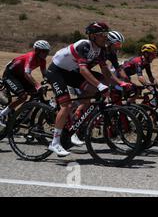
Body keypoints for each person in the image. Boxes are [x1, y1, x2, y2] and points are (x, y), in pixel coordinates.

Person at [45, 22, 119, 156]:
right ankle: (55, 143)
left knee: (93, 91)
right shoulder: (84, 45)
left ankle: (73, 125)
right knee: (65, 106)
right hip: (57, 71)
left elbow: (105, 71)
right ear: (92, 36)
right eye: (102, 35)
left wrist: (110, 87)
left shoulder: (101, 49)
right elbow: (83, 70)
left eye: (106, 34)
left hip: (71, 73)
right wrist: (100, 86)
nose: (105, 37)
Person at [0, 40, 51, 127]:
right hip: (10, 75)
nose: (46, 54)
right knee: (23, 96)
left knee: (36, 94)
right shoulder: (31, 56)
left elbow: (45, 74)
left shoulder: (43, 60)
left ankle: (23, 117)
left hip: (21, 76)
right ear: (37, 50)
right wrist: (38, 85)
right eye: (44, 51)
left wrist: (52, 82)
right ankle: (2, 114)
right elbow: (27, 73)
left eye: (47, 51)